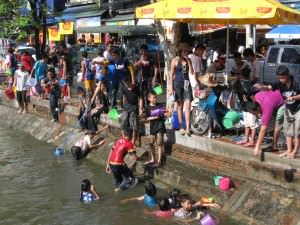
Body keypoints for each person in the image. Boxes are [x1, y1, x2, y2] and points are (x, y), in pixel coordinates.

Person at [259, 66, 300, 158]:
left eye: (283, 78)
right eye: (279, 78)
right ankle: (289, 150)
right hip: (288, 108)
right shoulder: (279, 83)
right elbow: (270, 87)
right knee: (287, 130)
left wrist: (293, 97)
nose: (281, 80)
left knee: (297, 132)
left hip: (298, 108)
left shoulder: (296, 82)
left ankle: (295, 152)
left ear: (288, 75)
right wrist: (262, 87)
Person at [247, 90, 284, 156]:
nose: (254, 115)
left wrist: (257, 146)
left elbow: (263, 130)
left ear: (258, 108)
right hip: (275, 97)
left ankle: (274, 146)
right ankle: (273, 143)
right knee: (269, 124)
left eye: (254, 113)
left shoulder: (267, 109)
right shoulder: (256, 96)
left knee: (277, 126)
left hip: (283, 102)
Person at [170, 45, 194, 136]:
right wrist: (171, 88)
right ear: (180, 52)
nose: (186, 53)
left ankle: (188, 127)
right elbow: (171, 74)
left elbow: (191, 72)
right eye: (184, 51)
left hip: (187, 84)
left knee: (187, 106)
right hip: (178, 84)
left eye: (187, 51)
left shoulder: (188, 60)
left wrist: (189, 62)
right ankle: (181, 126)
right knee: (180, 106)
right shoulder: (175, 61)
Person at [233, 66, 258, 147]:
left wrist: (256, 108)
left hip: (250, 108)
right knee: (247, 124)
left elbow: (253, 98)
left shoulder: (244, 84)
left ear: (242, 75)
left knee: (252, 125)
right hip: (247, 107)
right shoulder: (248, 83)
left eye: (239, 74)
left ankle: (252, 141)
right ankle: (246, 139)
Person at [134, 44, 158, 114]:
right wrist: (138, 63)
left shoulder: (151, 57)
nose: (143, 52)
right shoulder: (138, 57)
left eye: (144, 51)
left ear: (147, 51)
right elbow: (134, 66)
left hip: (149, 77)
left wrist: (155, 77)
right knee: (141, 93)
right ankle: (141, 110)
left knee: (150, 92)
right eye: (142, 51)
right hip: (140, 77)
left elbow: (156, 67)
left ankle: (149, 108)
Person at [145, 91, 166, 166]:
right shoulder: (147, 107)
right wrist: (154, 117)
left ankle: (159, 161)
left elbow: (164, 114)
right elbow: (146, 118)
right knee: (151, 143)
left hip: (160, 126)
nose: (155, 99)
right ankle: (153, 159)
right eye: (153, 98)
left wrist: (164, 113)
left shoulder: (159, 105)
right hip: (153, 127)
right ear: (149, 99)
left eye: (155, 97)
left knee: (159, 143)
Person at [120, 75, 140, 145]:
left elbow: (140, 98)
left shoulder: (137, 88)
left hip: (134, 107)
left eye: (127, 83)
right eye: (125, 84)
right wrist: (122, 107)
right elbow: (124, 97)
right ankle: (123, 139)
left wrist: (140, 108)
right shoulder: (124, 88)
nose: (126, 85)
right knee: (123, 122)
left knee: (134, 125)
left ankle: (133, 141)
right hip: (126, 107)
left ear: (130, 82)